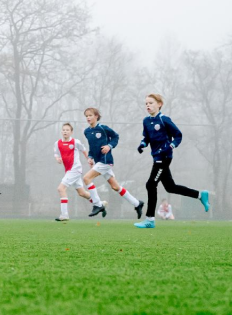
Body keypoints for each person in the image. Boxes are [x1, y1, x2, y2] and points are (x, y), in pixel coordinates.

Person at [134, 93, 210, 229]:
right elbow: (146, 137)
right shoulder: (146, 121)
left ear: (159, 104)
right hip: (156, 157)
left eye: (151, 103)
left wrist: (171, 146)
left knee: (150, 185)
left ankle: (150, 219)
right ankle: (200, 195)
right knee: (170, 187)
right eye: (146, 103)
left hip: (164, 158)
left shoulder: (164, 120)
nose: (148, 105)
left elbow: (178, 135)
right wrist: (142, 144)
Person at [81, 107, 144, 219]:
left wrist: (109, 146)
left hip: (105, 161)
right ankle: (137, 203)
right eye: (86, 116)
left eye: (90, 115)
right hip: (99, 162)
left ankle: (97, 204)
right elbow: (92, 147)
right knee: (115, 187)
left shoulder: (103, 128)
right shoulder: (87, 132)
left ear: (96, 116)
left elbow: (115, 137)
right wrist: (90, 157)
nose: (88, 117)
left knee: (86, 178)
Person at [53, 123, 103, 221]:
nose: (65, 132)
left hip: (75, 169)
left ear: (71, 132)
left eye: (67, 130)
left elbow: (84, 151)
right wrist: (57, 158)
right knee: (82, 193)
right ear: (61, 132)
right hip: (68, 170)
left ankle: (64, 215)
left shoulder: (75, 142)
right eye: (63, 130)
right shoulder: (57, 143)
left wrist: (89, 160)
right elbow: (56, 153)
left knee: (61, 189)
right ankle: (100, 204)